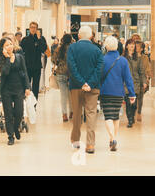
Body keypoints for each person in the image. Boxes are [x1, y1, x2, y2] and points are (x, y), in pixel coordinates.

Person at [67, 25, 104, 154]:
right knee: (91, 114)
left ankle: (76, 141)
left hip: (76, 87)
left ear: (78, 36)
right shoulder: (97, 50)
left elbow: (72, 67)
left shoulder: (72, 48)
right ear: (91, 36)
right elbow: (99, 69)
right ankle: (90, 144)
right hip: (93, 88)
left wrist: (82, 83)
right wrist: (90, 83)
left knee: (77, 114)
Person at [100, 36, 136, 151]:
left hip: (106, 92)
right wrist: (132, 94)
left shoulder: (102, 60)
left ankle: (113, 138)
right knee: (115, 117)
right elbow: (128, 79)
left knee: (108, 117)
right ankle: (113, 140)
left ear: (106, 46)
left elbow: (99, 77)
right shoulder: (123, 61)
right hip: (119, 93)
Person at [0, 37, 31, 145]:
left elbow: (24, 72)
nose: (9, 46)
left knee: (19, 112)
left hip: (18, 88)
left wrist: (27, 87)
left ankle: (16, 128)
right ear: (2, 48)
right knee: (8, 114)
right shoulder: (0, 59)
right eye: (6, 45)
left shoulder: (19, 57)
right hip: (6, 89)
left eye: (10, 44)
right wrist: (7, 59)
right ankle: (10, 136)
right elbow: (5, 72)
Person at [20, 22, 48, 100]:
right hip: (27, 67)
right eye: (31, 27)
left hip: (37, 67)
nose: (33, 29)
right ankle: (26, 101)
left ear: (37, 29)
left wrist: (39, 39)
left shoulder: (41, 39)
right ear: (29, 28)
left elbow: (43, 49)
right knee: (26, 86)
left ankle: (34, 104)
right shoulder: (25, 39)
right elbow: (20, 52)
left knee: (35, 87)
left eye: (35, 27)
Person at [122, 39, 146, 128]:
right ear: (127, 46)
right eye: (130, 44)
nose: (132, 46)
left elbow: (141, 71)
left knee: (134, 104)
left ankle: (132, 115)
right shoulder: (122, 58)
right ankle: (130, 120)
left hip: (135, 83)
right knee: (128, 103)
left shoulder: (138, 58)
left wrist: (144, 81)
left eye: (133, 44)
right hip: (126, 84)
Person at [52, 34, 73, 122]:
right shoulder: (73, 49)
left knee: (63, 95)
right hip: (71, 74)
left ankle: (64, 114)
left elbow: (53, 60)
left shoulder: (58, 49)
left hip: (60, 73)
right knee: (71, 95)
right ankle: (72, 111)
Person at [135, 41, 151, 122]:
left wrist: (147, 78)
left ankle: (139, 112)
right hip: (134, 80)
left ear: (141, 49)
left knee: (140, 97)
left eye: (137, 46)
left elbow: (148, 68)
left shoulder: (145, 58)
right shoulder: (131, 56)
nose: (135, 47)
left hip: (142, 80)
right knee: (133, 97)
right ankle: (133, 110)